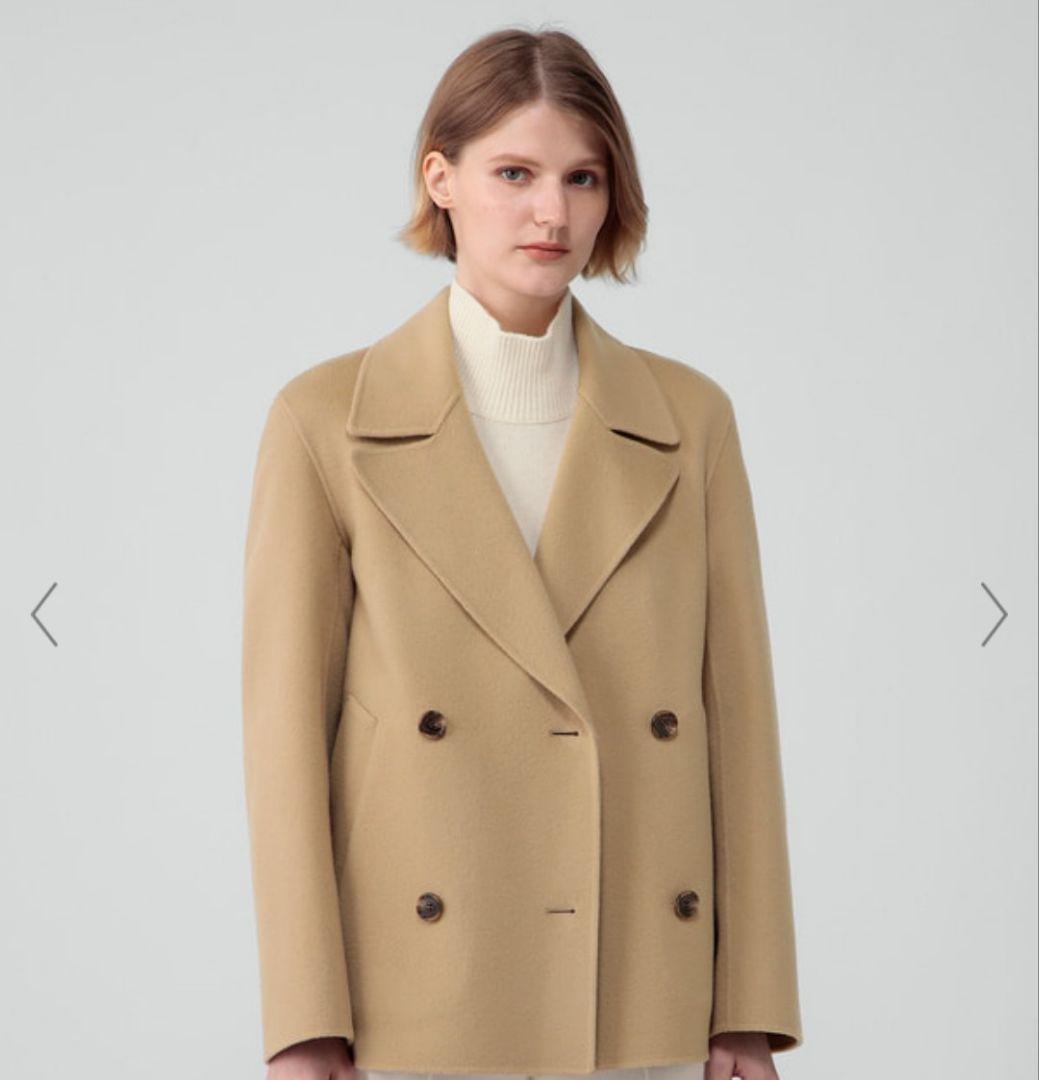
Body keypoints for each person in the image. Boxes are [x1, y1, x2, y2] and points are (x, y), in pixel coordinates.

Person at [242, 25, 803, 1080]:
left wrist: (748, 1008)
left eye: (582, 177)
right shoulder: (325, 421)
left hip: (644, 998)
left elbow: (738, 722)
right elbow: (285, 743)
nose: (553, 213)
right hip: (418, 1005)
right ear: (440, 180)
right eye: (515, 173)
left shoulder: (689, 420)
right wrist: (305, 1022)